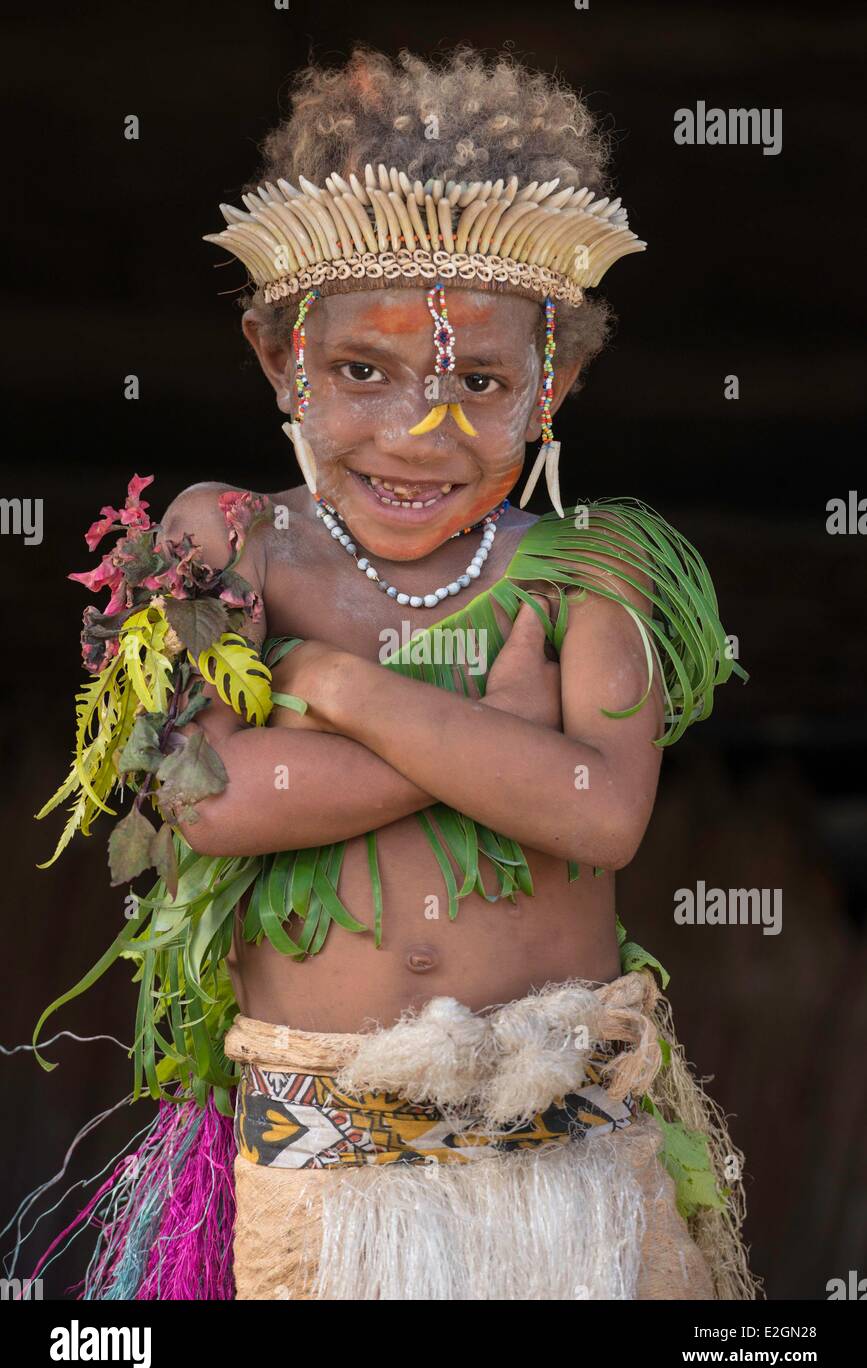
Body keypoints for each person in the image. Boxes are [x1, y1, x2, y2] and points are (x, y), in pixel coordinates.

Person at [23, 45, 760, 1300]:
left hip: (571, 1176)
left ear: (554, 385)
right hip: (319, 1176)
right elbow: (209, 799)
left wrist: (345, 687)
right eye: (364, 372)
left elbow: (602, 810)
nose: (422, 428)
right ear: (279, 358)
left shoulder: (595, 568)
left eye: (479, 381)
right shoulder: (220, 543)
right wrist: (491, 743)